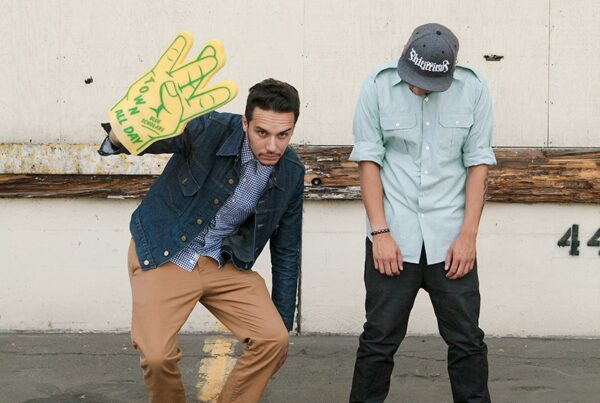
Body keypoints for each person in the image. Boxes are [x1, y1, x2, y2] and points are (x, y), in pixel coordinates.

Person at [98, 78, 304, 403]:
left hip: (222, 260)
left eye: (283, 135)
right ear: (245, 123)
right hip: (167, 251)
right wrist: (121, 133)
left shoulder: (291, 171)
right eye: (262, 132)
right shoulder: (210, 129)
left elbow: (287, 249)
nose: (272, 146)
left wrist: (282, 327)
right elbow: (153, 139)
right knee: (157, 356)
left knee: (273, 339)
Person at [349, 23, 496, 403]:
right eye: (413, 81)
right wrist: (380, 233)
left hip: (451, 240)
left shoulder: (474, 88)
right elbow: (368, 160)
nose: (418, 89)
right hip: (394, 238)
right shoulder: (377, 85)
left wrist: (468, 236)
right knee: (378, 340)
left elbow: (478, 163)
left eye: (429, 85)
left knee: (467, 341)